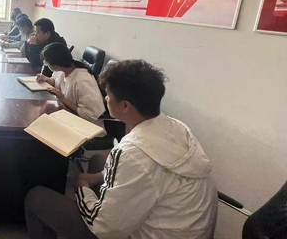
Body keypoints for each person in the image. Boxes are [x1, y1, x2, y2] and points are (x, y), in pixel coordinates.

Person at [25, 60, 218, 239]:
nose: (106, 98)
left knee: (36, 197)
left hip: (140, 233)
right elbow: (147, 175)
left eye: (108, 95)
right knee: (98, 161)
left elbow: (104, 228)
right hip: (188, 227)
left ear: (125, 106)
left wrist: (83, 188)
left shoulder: (132, 154)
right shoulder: (177, 127)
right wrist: (96, 178)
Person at [36, 42, 105, 123]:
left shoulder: (82, 80)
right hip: (67, 114)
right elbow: (57, 82)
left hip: (85, 125)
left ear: (56, 65)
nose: (46, 65)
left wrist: (62, 98)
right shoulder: (63, 69)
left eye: (46, 63)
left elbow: (90, 116)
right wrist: (46, 79)